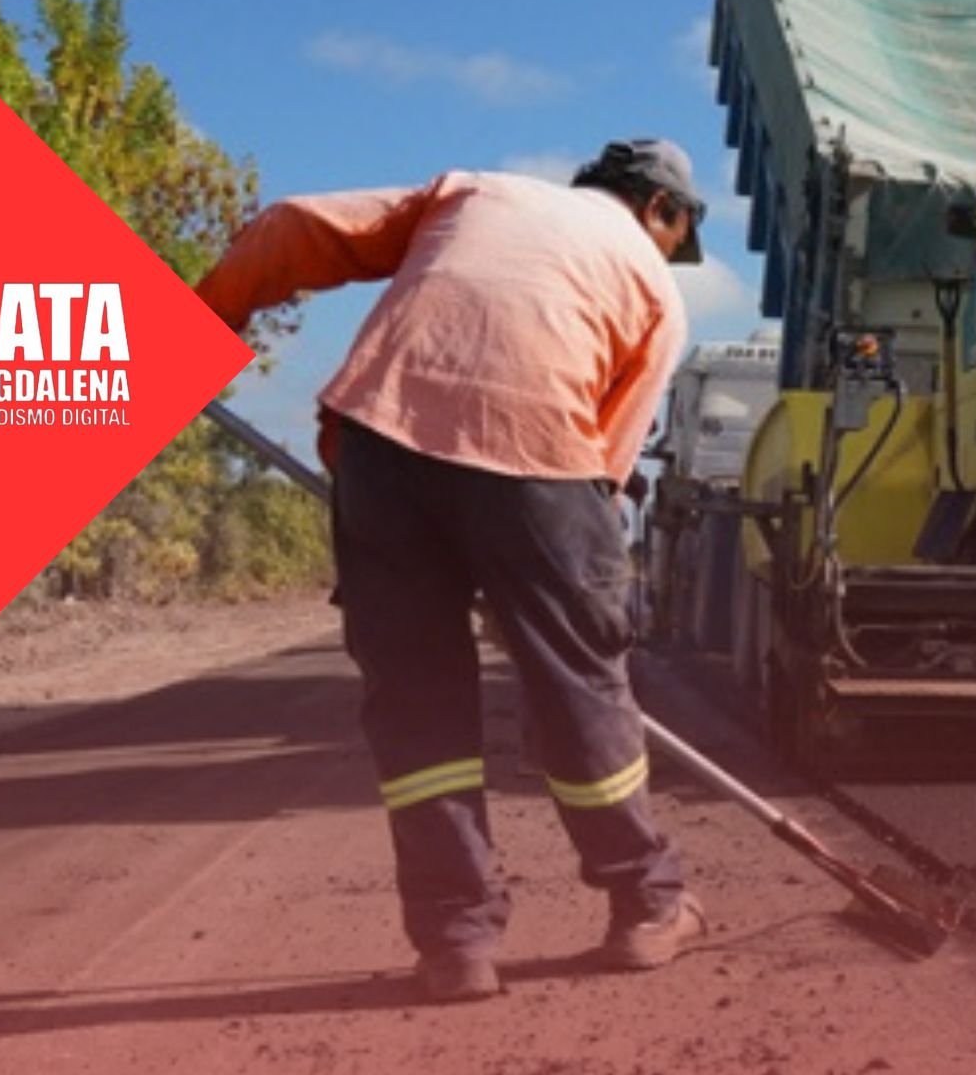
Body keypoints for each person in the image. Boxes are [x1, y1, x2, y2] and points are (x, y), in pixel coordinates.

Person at [195, 139, 708, 1003]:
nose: (671, 251)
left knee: (418, 703)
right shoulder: (655, 287)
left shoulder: (475, 193)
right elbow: (607, 468)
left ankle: (456, 943)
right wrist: (551, 602)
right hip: (541, 458)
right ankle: (648, 906)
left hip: (381, 445)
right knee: (581, 687)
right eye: (677, 233)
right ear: (661, 210)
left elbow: (290, 226)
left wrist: (204, 322)